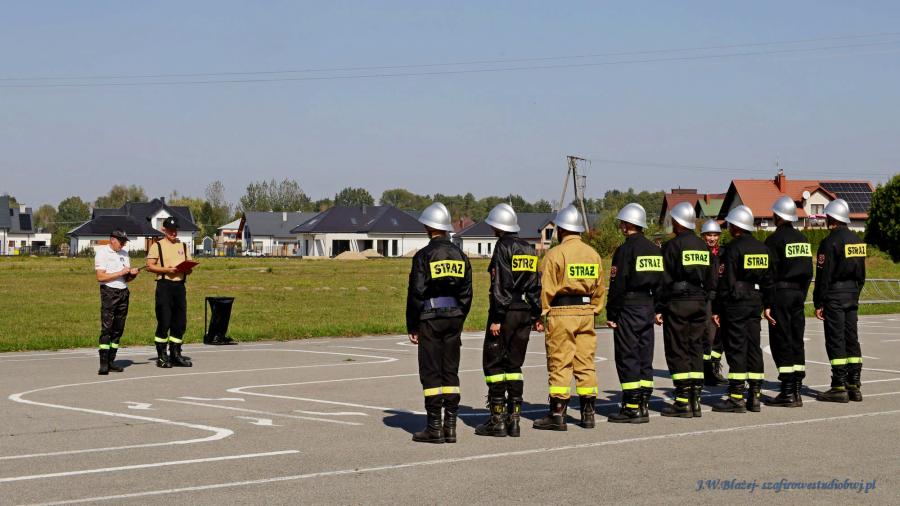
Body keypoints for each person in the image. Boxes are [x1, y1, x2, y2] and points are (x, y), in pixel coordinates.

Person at [533, 205, 605, 431]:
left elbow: (545, 288)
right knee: (585, 363)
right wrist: (594, 309)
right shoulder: (593, 254)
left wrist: (540, 314)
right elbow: (600, 289)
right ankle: (588, 414)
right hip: (586, 313)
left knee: (560, 362)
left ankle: (557, 414)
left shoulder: (555, 254)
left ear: (562, 229)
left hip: (562, 313)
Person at [407, 202, 473, 443]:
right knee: (450, 370)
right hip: (454, 317)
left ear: (428, 227)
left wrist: (413, 325)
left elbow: (416, 293)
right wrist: (459, 317)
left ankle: (434, 427)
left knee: (431, 371)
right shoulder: (461, 256)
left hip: (430, 318)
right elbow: (467, 293)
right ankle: (451, 427)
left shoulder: (423, 256)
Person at [475, 204, 542, 438]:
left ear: (498, 226)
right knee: (514, 365)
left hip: (507, 312)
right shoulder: (529, 248)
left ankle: (497, 420)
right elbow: (535, 285)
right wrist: (537, 314)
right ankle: (515, 420)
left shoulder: (503, 246)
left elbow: (500, 285)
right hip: (525, 311)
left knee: (494, 365)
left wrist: (496, 318)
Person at [712, 205, 773, 413]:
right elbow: (768, 280)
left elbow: (725, 282)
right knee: (754, 347)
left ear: (737, 226)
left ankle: (736, 397)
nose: (728, 227)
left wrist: (717, 309)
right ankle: (755, 395)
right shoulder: (763, 248)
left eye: (730, 224)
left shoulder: (732, 249)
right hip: (755, 302)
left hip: (735, 303)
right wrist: (767, 304)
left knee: (736, 347)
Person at [606, 203, 663, 424]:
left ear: (628, 224)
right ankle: (644, 402)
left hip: (628, 307)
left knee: (627, 355)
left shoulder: (624, 251)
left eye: (622, 223)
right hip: (648, 306)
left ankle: (631, 407)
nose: (621, 226)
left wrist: (612, 313)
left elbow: (617, 285)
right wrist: (658, 308)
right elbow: (661, 283)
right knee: (644, 355)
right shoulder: (654, 250)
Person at [658, 202, 715, 418]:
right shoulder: (702, 246)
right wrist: (704, 298)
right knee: (696, 348)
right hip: (699, 301)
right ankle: (695, 400)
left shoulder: (672, 246)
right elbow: (711, 278)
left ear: (678, 222)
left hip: (678, 302)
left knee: (678, 348)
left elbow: (664, 279)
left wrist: (660, 306)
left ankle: (682, 401)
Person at [813, 199, 866, 403]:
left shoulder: (829, 243)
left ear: (832, 218)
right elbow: (862, 275)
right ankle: (854, 385)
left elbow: (823, 276)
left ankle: (838, 386)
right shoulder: (857, 241)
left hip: (834, 296)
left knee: (836, 340)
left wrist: (819, 302)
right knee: (852, 338)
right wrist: (854, 294)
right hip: (852, 294)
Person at [762, 196, 813, 408]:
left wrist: (766, 303)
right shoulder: (803, 239)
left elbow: (768, 274)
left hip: (780, 295)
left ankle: (787, 391)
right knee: (796, 339)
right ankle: (797, 389)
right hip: (798, 295)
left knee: (781, 340)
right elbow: (808, 272)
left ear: (778, 216)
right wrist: (801, 294)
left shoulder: (774, 241)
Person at [146, 216, 194, 368]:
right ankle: (162, 356)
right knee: (164, 321)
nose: (173, 233)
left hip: (179, 287)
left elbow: (189, 266)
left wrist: (187, 269)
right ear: (164, 230)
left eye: (175, 230)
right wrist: (167, 270)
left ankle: (176, 354)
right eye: (171, 230)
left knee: (179, 322)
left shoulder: (183, 246)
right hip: (164, 286)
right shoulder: (157, 246)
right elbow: (150, 266)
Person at [94, 230, 139, 375]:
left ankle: (111, 361)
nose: (123, 244)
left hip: (123, 292)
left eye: (125, 241)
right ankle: (103, 363)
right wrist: (121, 272)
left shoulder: (125, 254)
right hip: (109, 292)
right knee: (107, 328)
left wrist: (132, 275)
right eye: (121, 241)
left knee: (119, 328)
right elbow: (100, 277)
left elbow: (126, 279)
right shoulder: (102, 253)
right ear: (112, 239)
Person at [700, 219, 728, 386]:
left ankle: (715, 366)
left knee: (720, 335)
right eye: (708, 235)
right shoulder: (700, 253)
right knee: (708, 335)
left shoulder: (724, 252)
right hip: (708, 298)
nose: (711, 238)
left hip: (723, 297)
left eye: (715, 235)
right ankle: (707, 371)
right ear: (703, 236)